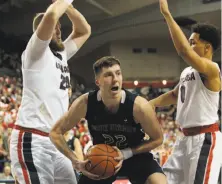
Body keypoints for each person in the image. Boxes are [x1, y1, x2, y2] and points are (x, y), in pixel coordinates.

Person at [50, 56, 167, 184]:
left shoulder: (139, 106)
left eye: (118, 73)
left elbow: (158, 139)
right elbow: (55, 133)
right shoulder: (85, 103)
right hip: (101, 158)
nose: (115, 79)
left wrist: (126, 152)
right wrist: (76, 161)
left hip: (135, 156)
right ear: (98, 81)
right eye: (108, 75)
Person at [9, 0, 91, 183]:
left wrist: (69, 7)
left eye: (60, 27)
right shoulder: (35, 52)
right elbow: (52, 15)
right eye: (55, 27)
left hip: (56, 141)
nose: (59, 30)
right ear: (43, 30)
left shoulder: (61, 54)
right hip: (33, 138)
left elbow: (85, 30)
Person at [149, 1, 222, 183]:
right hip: (183, 140)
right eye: (189, 42)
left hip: (204, 140)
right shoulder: (187, 72)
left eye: (193, 42)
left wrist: (167, 14)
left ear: (207, 48)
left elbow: (183, 51)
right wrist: (151, 104)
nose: (189, 45)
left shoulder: (212, 69)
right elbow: (174, 95)